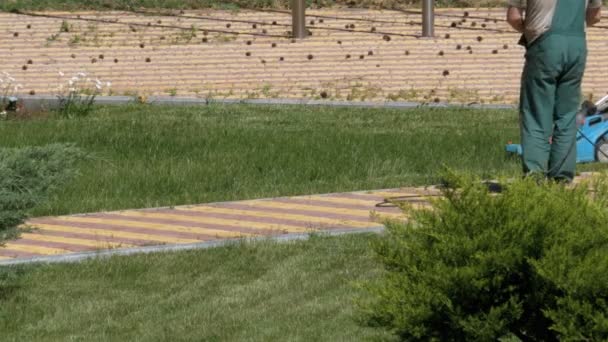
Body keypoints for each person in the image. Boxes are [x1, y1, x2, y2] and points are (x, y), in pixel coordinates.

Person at [507, 0, 602, 182]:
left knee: (536, 115)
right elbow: (595, 15)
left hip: (545, 46)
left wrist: (530, 30)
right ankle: (562, 177)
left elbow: (513, 17)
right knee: (567, 116)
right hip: (576, 46)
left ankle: (535, 177)